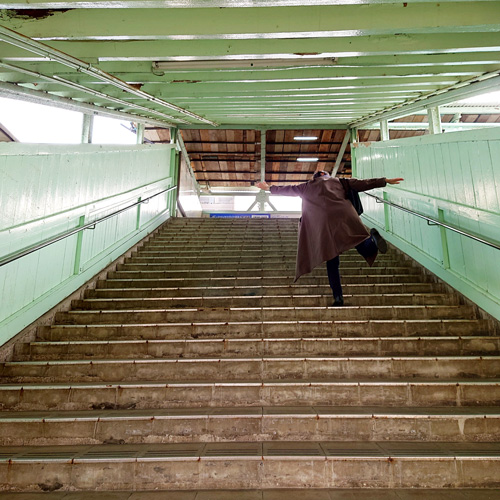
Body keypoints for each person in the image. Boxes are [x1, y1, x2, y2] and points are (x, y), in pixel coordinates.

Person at [256, 170, 404, 306]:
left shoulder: (307, 186)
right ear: (326, 175)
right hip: (344, 217)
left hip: (323, 225)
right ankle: (372, 241)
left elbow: (288, 190)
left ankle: (338, 297)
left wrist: (269, 187)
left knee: (332, 261)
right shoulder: (340, 181)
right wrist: (384, 180)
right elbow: (363, 183)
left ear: (315, 178)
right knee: (358, 241)